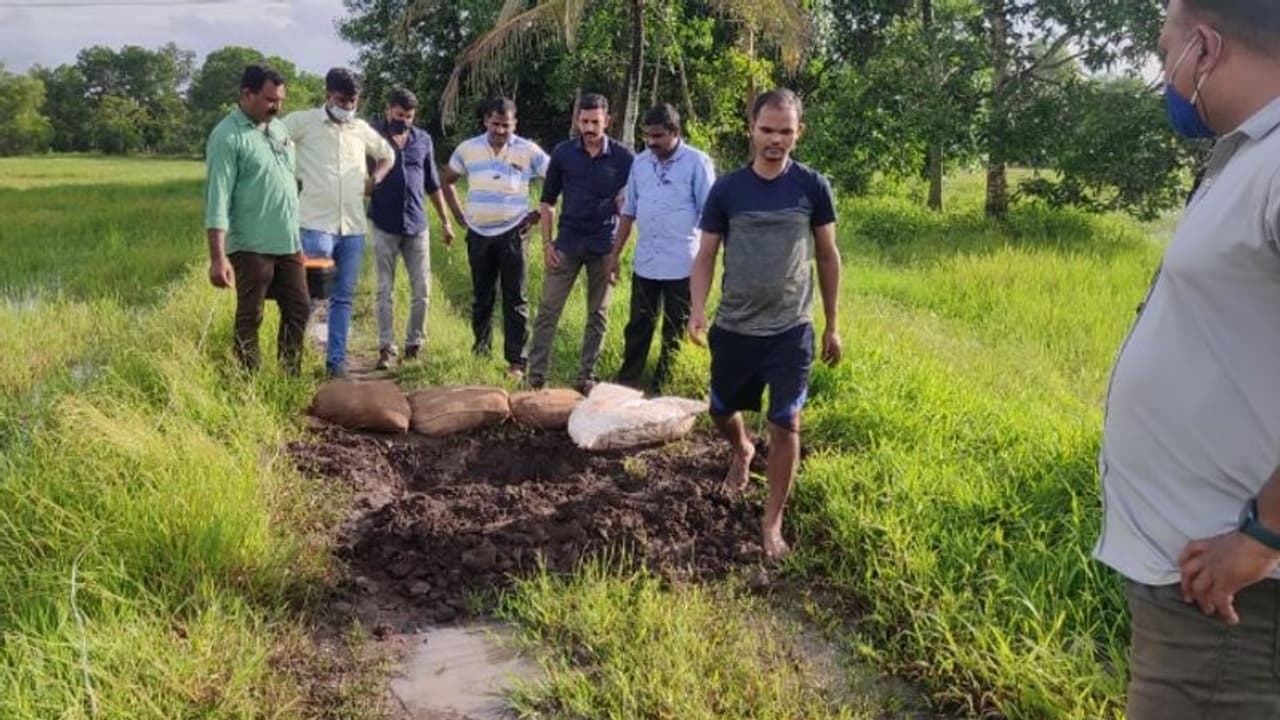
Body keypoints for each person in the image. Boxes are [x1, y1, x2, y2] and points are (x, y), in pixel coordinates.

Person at [1093, 2, 1280, 717]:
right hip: (1196, 577)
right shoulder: (1247, 155)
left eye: (1163, 45)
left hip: (1231, 602)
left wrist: (1263, 535)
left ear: (1203, 48)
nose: (1160, 69)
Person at [688, 88, 842, 560]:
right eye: (767, 130)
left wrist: (832, 324)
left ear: (799, 133)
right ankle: (741, 449)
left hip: (791, 328)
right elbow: (707, 253)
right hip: (734, 325)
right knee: (720, 408)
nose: (776, 140)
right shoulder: (728, 190)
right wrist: (697, 308)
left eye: (786, 132)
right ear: (751, 129)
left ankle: (771, 522)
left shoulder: (812, 187)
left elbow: (827, 255)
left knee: (786, 421)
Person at [283, 67, 395, 378]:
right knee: (310, 296)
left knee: (343, 298)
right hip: (316, 226)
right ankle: (293, 362)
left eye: (353, 101)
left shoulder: (360, 129)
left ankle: (335, 364)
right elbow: (273, 139)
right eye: (342, 100)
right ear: (327, 95)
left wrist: (376, 179)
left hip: (353, 230)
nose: (347, 106)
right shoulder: (302, 122)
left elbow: (388, 155)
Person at [204, 65, 310, 376]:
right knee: (252, 315)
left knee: (299, 308)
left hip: (287, 242)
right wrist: (217, 257)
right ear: (246, 95)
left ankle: (289, 377)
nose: (276, 106)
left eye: (280, 100)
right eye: (269, 99)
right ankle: (248, 381)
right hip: (251, 244)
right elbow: (217, 198)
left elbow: (288, 184)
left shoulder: (278, 130)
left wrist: (299, 240)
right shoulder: (227, 136)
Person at [527, 93, 636, 392]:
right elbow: (547, 202)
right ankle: (535, 376)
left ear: (607, 121)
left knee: (598, 314)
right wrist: (547, 245)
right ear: (577, 120)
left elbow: (631, 206)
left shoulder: (624, 158)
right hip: (567, 244)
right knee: (548, 309)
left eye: (595, 122)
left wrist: (618, 253)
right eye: (585, 121)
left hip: (604, 247)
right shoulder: (563, 154)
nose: (589, 128)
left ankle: (586, 376)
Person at [609, 103, 715, 394]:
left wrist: (710, 263)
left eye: (658, 136)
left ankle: (662, 386)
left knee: (674, 329)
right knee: (638, 325)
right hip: (646, 262)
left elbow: (711, 217)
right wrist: (614, 256)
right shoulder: (641, 163)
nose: (652, 142)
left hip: (682, 264)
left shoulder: (698, 163)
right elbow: (629, 211)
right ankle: (628, 381)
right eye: (647, 136)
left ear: (675, 132)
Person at [441, 97, 549, 378]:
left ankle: (516, 361)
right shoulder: (468, 149)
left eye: (507, 125)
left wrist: (540, 210)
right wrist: (458, 215)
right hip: (478, 234)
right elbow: (447, 181)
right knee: (482, 296)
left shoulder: (528, 150)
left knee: (516, 298)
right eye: (496, 124)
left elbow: (557, 177)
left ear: (515, 124)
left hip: (515, 232)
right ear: (486, 121)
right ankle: (481, 351)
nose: (501, 131)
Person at [367, 87, 456, 370]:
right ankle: (385, 348)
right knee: (384, 289)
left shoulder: (423, 140)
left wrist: (445, 221)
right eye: (398, 114)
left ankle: (414, 343)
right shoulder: (372, 137)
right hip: (384, 223)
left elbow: (433, 184)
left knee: (422, 288)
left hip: (416, 224)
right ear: (388, 110)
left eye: (408, 116)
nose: (403, 120)